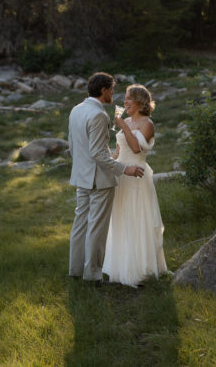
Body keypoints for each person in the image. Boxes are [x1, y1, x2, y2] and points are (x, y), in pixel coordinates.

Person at [68, 73, 146, 282]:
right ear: (103, 90)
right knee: (96, 228)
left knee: (80, 225)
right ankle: (92, 275)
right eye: (111, 90)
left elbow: (73, 147)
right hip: (100, 179)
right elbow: (97, 154)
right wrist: (123, 169)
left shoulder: (76, 110)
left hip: (81, 176)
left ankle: (75, 270)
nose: (113, 94)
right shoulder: (99, 115)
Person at [101, 83, 168, 286]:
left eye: (129, 98)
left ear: (139, 101)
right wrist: (108, 162)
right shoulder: (126, 120)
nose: (125, 101)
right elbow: (119, 150)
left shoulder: (148, 124)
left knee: (137, 218)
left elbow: (136, 149)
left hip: (137, 176)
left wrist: (122, 125)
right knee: (121, 219)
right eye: (125, 98)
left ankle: (140, 269)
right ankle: (120, 267)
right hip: (121, 175)